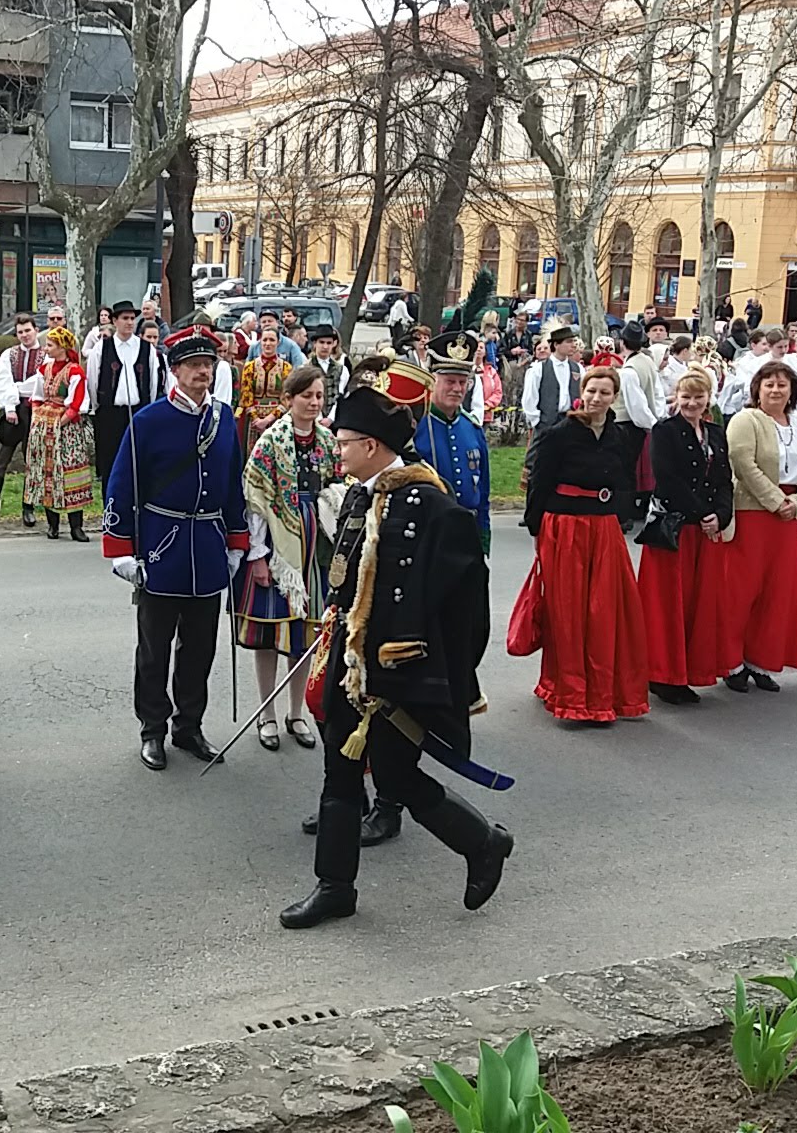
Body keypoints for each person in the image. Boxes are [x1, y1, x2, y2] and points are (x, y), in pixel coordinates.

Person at [277, 385, 508, 931]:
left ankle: (484, 842)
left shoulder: (432, 506)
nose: (340, 452)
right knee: (340, 771)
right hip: (352, 664)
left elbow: (466, 608)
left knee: (399, 778)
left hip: (400, 671)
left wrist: (432, 671)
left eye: (348, 443)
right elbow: (350, 577)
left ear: (375, 446)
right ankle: (335, 888)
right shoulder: (361, 494)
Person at [105, 327, 248, 771]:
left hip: (207, 549)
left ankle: (190, 726)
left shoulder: (224, 421)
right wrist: (121, 549)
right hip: (161, 550)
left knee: (200, 648)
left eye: (208, 365)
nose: (203, 372)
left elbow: (233, 487)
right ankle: (153, 730)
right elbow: (121, 486)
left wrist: (237, 541)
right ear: (175, 370)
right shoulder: (147, 422)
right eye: (193, 366)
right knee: (154, 649)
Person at [520, 367, 648, 724]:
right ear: (582, 390)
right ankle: (569, 693)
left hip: (603, 529)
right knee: (569, 613)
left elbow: (625, 481)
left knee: (606, 612)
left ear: (614, 397)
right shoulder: (559, 433)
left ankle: (605, 692)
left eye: (604, 393)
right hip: (565, 528)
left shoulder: (620, 436)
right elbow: (539, 485)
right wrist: (537, 530)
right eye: (592, 390)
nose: (596, 398)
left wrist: (616, 513)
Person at [232, 365, 342, 752]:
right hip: (280, 546)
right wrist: (258, 556)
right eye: (306, 396)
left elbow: (340, 488)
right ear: (288, 400)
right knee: (269, 634)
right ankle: (267, 713)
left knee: (306, 637)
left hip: (317, 551)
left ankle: (297, 713)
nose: (313, 403)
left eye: (318, 397)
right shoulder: (271, 442)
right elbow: (256, 503)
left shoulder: (329, 442)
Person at [637, 370, 732, 705]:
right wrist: (700, 513)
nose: (692, 403)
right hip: (674, 528)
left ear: (708, 398)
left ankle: (689, 670)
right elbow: (667, 478)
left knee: (697, 604)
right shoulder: (665, 431)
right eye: (686, 396)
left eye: (699, 396)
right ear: (676, 396)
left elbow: (724, 479)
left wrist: (720, 515)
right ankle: (661, 675)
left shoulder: (716, 433)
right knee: (667, 604)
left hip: (705, 530)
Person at [723, 360, 797, 692]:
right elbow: (743, 462)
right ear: (757, 389)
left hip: (787, 519)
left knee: (779, 593)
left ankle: (761, 661)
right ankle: (732, 662)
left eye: (782, 384)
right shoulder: (746, 420)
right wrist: (777, 501)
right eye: (769, 384)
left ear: (792, 390)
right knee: (741, 591)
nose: (776, 390)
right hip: (753, 515)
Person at [416, 332, 491, 554]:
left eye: (462, 382)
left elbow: (483, 491)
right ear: (432, 381)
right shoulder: (417, 426)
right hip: (427, 535)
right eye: (449, 382)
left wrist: (483, 538)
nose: (457, 389)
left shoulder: (473, 429)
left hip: (467, 535)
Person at [25, 327, 94, 542]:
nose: (46, 349)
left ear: (62, 347)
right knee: (47, 473)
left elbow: (76, 404)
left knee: (71, 474)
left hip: (67, 428)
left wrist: (58, 423)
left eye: (50, 345)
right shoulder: (44, 369)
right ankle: (52, 525)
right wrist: (38, 417)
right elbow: (36, 397)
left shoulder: (75, 372)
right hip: (44, 425)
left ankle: (76, 527)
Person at [85, 300, 162, 493]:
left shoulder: (147, 349)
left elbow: (152, 383)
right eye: (125, 318)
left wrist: (147, 409)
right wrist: (98, 407)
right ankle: (110, 507)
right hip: (110, 414)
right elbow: (93, 380)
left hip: (138, 412)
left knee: (138, 461)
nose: (129, 323)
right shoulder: (102, 348)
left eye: (132, 318)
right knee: (109, 462)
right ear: (114, 321)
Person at [0, 313, 46, 523]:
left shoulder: (46, 355)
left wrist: (18, 388)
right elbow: (2, 382)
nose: (24, 335)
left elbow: (39, 383)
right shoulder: (9, 354)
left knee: (32, 459)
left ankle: (28, 508)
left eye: (28, 331)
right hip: (12, 412)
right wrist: (10, 405)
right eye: (20, 332)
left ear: (36, 331)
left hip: (35, 410)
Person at [238, 327, 294, 452]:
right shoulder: (250, 367)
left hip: (278, 419)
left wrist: (268, 419)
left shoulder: (286, 368)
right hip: (253, 419)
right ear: (260, 342)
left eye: (272, 340)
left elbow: (286, 398)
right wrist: (256, 419)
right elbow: (246, 396)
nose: (268, 344)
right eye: (265, 340)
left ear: (278, 342)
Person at [522, 325, 583, 439]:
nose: (573, 345)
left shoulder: (578, 368)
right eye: (569, 341)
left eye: (574, 341)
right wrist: (538, 422)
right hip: (547, 425)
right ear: (556, 345)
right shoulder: (538, 369)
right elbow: (529, 397)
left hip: (571, 423)